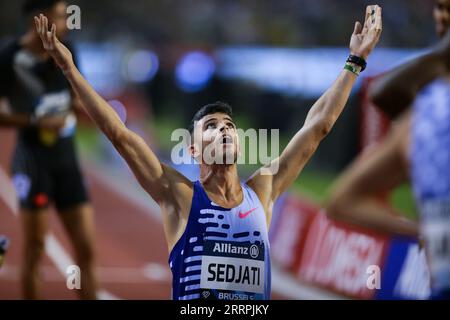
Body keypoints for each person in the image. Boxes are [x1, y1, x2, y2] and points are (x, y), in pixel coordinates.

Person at [33, 5, 382, 300]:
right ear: (193, 148)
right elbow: (117, 133)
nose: (224, 130)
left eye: (228, 125)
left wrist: (354, 62)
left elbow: (316, 128)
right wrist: (69, 70)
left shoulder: (262, 192)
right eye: (212, 127)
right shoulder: (179, 196)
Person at [326, 0, 450, 299]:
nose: (442, 15)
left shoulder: (417, 119)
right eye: (440, 7)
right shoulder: (418, 120)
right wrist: (423, 230)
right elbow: (343, 200)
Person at [0, 0, 97, 299]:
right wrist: (37, 120)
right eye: (59, 17)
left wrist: (83, 110)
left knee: (86, 247)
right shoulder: (10, 56)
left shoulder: (68, 50)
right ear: (37, 19)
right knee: (35, 248)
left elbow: (77, 98)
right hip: (33, 160)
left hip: (67, 160)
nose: (67, 24)